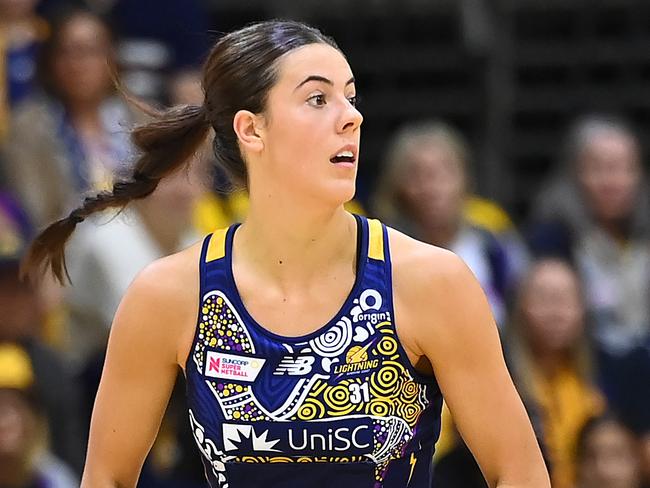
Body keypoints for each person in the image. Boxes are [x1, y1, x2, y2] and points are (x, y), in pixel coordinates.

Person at [23, 21, 549, 488]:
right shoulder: (169, 294)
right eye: (318, 99)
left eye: (351, 96)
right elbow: (108, 477)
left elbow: (519, 472)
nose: (351, 118)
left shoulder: (431, 280)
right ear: (252, 129)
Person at [374, 120, 528, 327]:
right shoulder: (380, 251)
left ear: (464, 177)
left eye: (444, 171)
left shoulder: (493, 245)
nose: (432, 186)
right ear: (397, 185)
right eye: (417, 174)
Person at [2, 9, 135, 228]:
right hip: (65, 242)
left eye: (90, 51)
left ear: (112, 57)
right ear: (50, 62)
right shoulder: (27, 127)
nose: (77, 64)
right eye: (66, 52)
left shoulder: (139, 116)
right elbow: (36, 210)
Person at [506, 258, 605, 488]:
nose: (555, 311)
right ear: (520, 306)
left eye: (565, 299)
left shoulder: (597, 380)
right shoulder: (500, 379)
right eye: (543, 298)